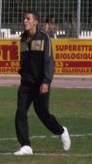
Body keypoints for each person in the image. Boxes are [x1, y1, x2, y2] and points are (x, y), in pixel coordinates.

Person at [14, 10, 71, 155]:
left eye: (27, 19)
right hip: (26, 83)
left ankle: (61, 131)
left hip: (40, 83)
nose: (24, 21)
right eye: (24, 18)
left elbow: (48, 61)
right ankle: (25, 145)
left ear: (35, 22)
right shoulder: (22, 39)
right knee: (21, 112)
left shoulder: (44, 38)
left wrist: (46, 81)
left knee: (43, 114)